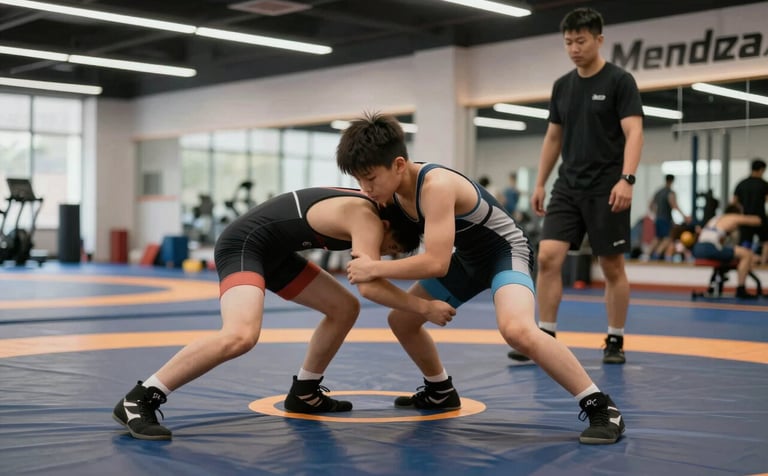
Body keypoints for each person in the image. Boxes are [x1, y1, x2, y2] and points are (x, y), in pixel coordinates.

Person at [338, 112, 625, 445]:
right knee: (402, 319)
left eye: (370, 178)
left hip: (507, 252)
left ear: (399, 164)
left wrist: (374, 268)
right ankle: (439, 390)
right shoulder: (390, 194)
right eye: (359, 180)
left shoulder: (435, 186)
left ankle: (601, 406)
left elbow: (436, 263)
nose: (366, 188)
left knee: (517, 330)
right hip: (468, 259)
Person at [112, 187, 456, 440]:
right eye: (390, 248)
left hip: (274, 253)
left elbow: (366, 285)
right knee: (240, 335)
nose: (384, 256)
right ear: (387, 225)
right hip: (243, 245)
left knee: (343, 308)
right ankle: (139, 399)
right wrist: (424, 307)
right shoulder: (367, 218)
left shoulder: (371, 210)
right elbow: (370, 287)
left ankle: (304, 392)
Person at [507, 7, 644, 365]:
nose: (574, 48)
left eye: (581, 41)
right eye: (568, 42)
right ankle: (545, 335)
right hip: (567, 185)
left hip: (608, 186)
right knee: (548, 257)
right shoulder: (563, 86)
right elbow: (553, 137)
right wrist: (539, 182)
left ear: (599, 39)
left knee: (611, 266)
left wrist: (627, 179)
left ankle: (615, 339)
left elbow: (634, 132)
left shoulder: (619, 81)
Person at [692, 203, 762, 299]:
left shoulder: (715, 219)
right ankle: (741, 289)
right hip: (709, 248)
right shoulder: (732, 217)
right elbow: (756, 221)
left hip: (698, 248)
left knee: (729, 253)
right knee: (746, 254)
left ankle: (715, 283)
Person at [732, 158, 768, 264]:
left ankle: (746, 262)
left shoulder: (741, 183)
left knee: (745, 243)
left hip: (745, 219)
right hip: (759, 218)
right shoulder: (764, 184)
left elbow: (734, 202)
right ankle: (763, 262)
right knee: (766, 241)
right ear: (761, 170)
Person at [648, 174, 690, 260]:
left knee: (657, 238)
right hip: (665, 218)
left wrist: (656, 213)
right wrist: (684, 216)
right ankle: (656, 255)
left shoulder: (658, 192)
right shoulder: (670, 192)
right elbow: (674, 205)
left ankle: (646, 255)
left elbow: (651, 205)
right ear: (672, 181)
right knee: (667, 238)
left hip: (658, 218)